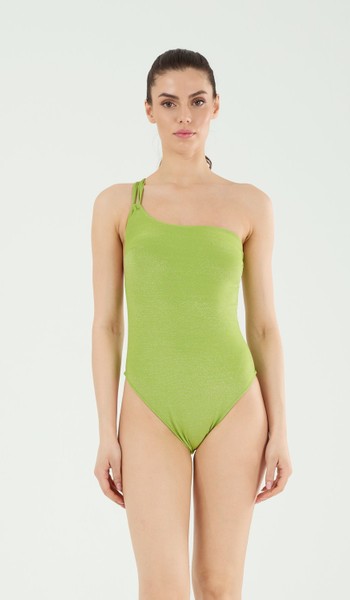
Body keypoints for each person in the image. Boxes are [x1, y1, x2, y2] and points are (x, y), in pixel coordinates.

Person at [91, 48, 292, 599]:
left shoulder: (250, 204)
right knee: (162, 588)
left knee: (220, 587)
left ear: (216, 107)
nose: (184, 116)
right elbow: (107, 326)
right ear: (149, 110)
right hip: (149, 406)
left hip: (235, 404)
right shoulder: (117, 205)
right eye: (169, 103)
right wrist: (106, 433)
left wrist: (281, 430)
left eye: (197, 102)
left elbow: (264, 327)